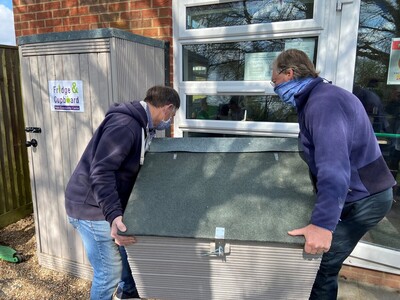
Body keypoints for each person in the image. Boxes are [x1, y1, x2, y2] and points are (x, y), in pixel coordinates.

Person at [270, 49, 395, 300]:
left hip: (366, 198)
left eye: (274, 81)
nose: (274, 88)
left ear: (289, 73)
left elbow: (334, 166)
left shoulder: (323, 103)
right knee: (322, 266)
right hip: (357, 193)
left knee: (320, 267)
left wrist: (322, 225)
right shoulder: (319, 98)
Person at [65, 85, 180, 300]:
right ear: (167, 108)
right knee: (108, 273)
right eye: (172, 115)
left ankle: (128, 293)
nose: (170, 121)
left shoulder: (142, 126)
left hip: (101, 203)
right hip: (90, 208)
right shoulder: (126, 125)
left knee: (127, 252)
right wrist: (113, 215)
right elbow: (101, 172)